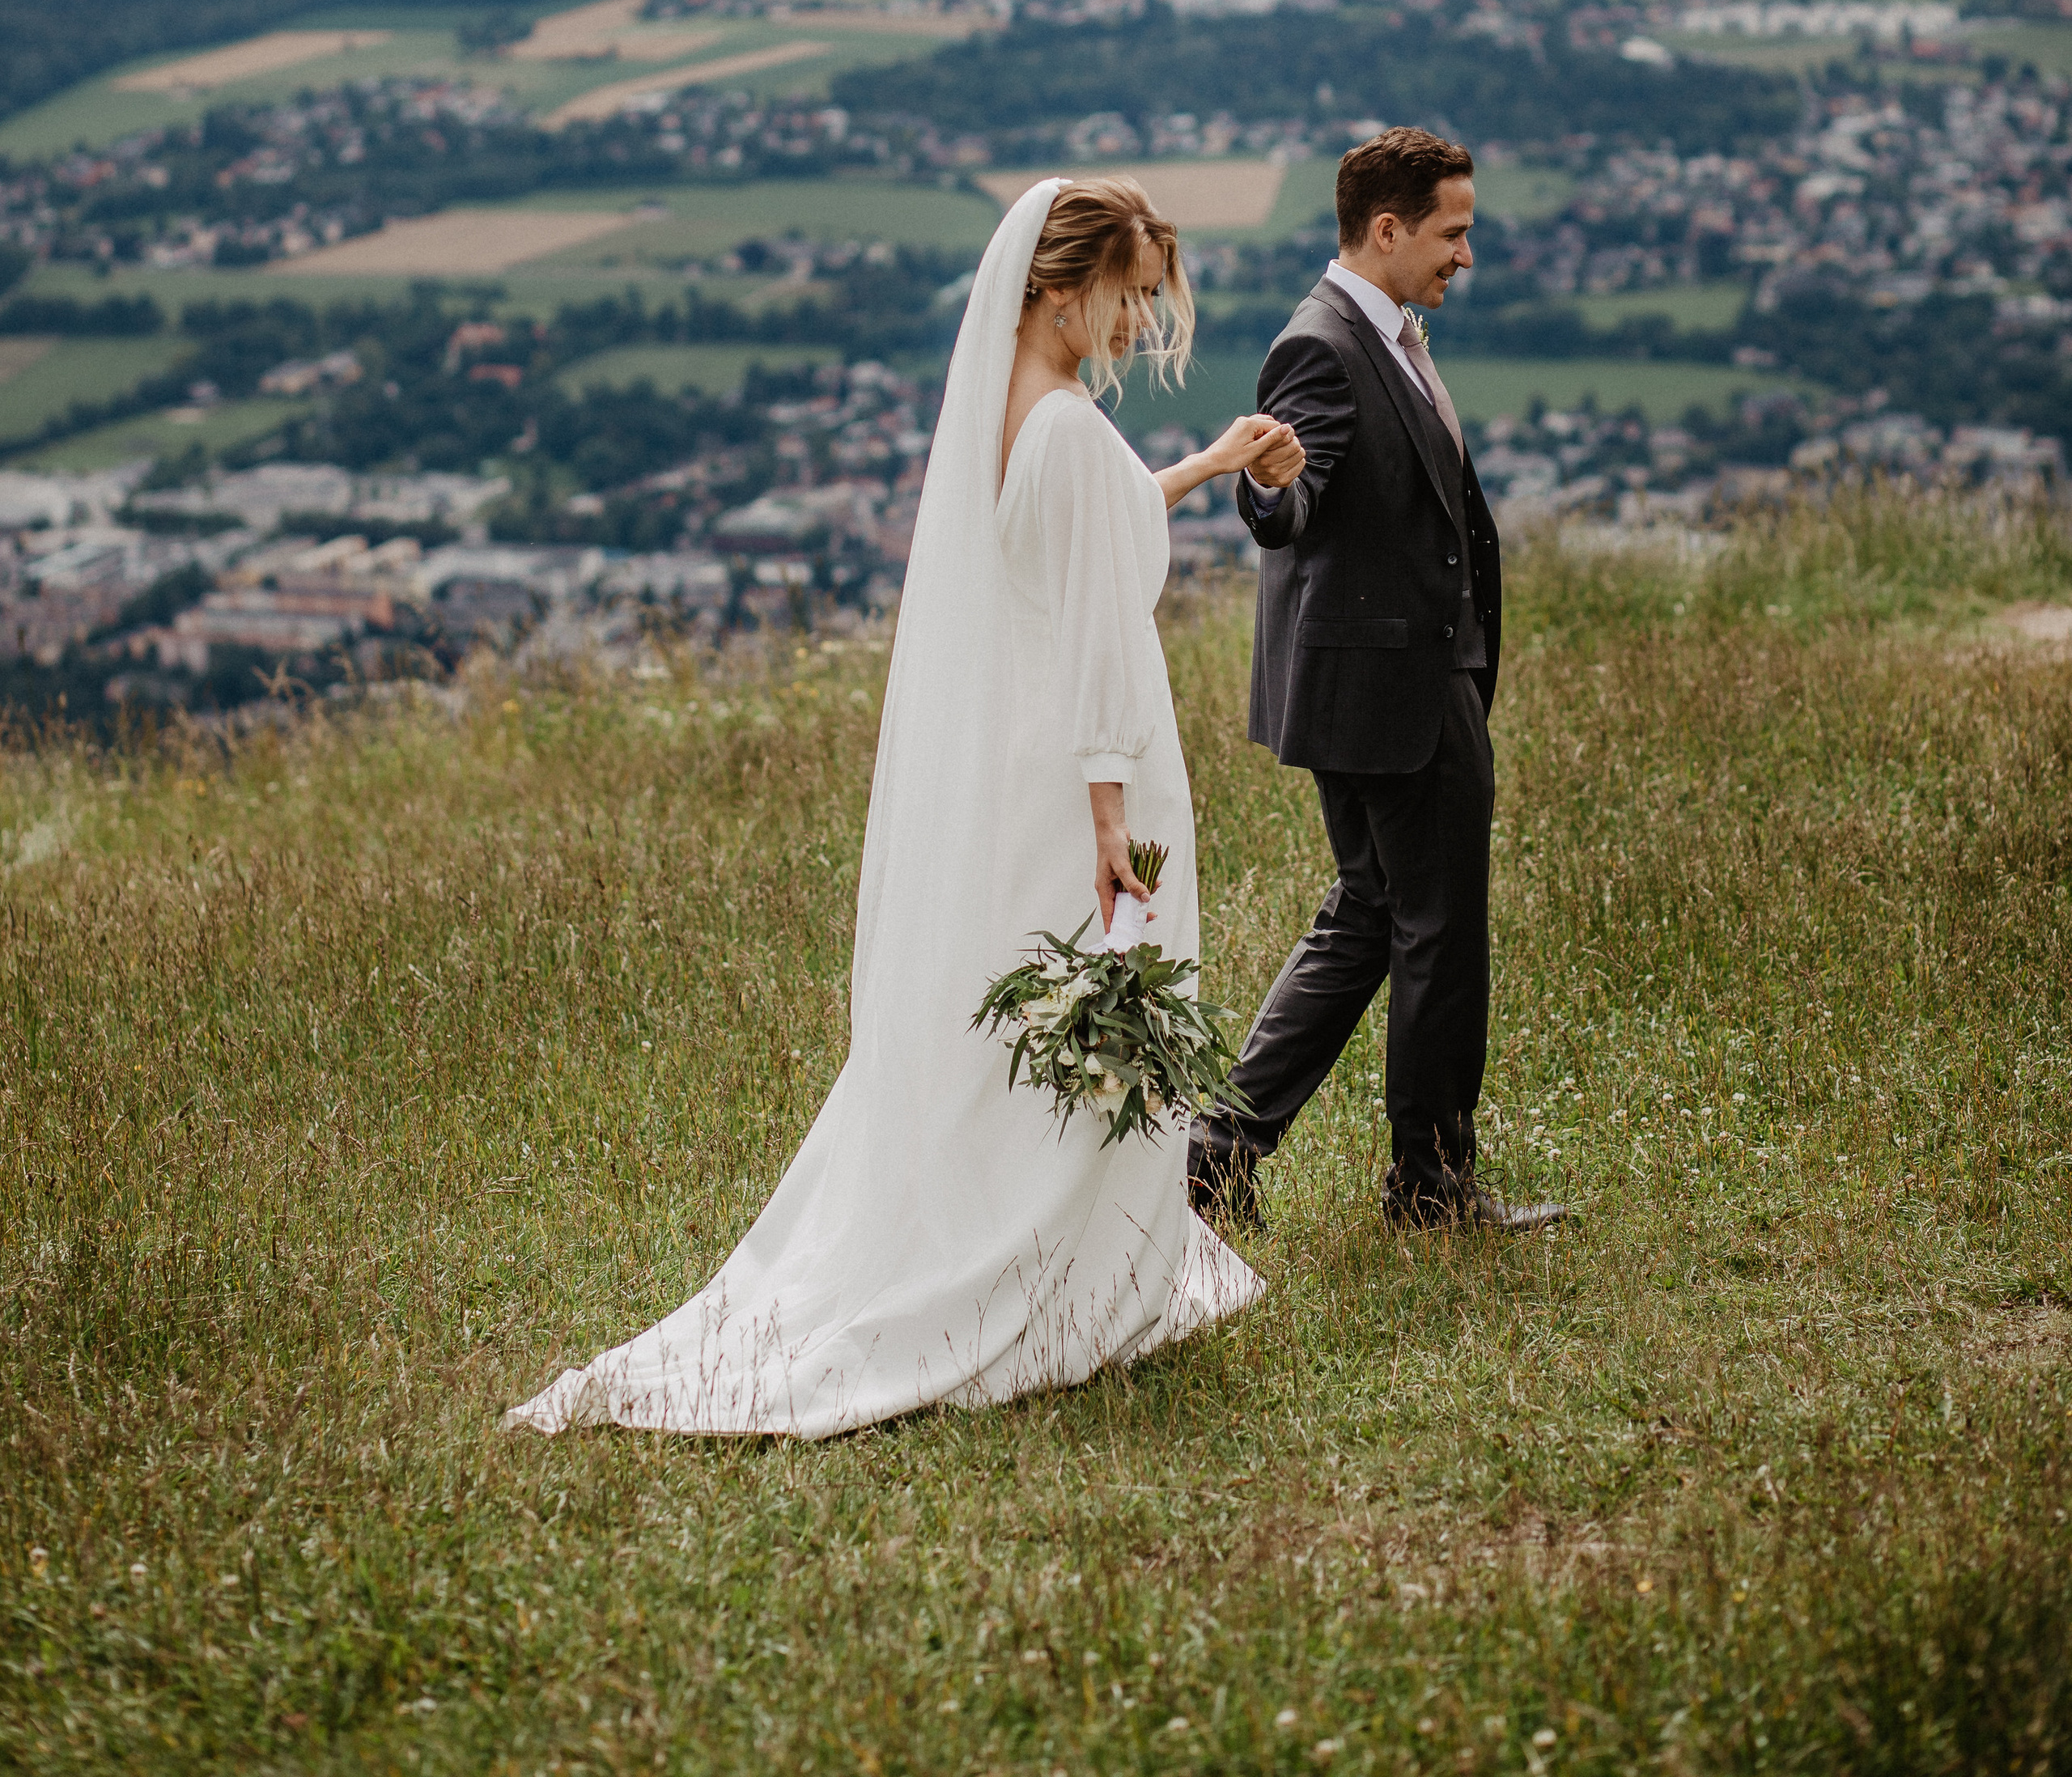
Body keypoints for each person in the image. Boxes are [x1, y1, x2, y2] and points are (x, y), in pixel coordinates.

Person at [506, 174, 1306, 1440]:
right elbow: (1101, 625)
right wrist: (1111, 815)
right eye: (1126, 298)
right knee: (1094, 1007)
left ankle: (1053, 1247)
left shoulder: (1015, 416)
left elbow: (1084, 540)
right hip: (1095, 769)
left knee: (1030, 1010)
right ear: (1057, 285)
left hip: (1034, 764)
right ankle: (1056, 1271)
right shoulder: (1062, 429)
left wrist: (1209, 463)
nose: (1136, 327)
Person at [1186, 127, 1564, 1236]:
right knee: (1439, 928)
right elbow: (1291, 502)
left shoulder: (1383, 330)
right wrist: (1268, 490)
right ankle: (1431, 1190)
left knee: (1369, 914)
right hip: (1394, 688)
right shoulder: (1324, 345)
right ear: (1387, 230)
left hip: (1388, 678)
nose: (1467, 256)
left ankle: (1216, 1151)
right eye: (1453, 234)